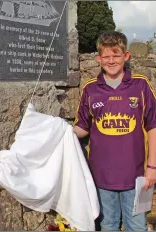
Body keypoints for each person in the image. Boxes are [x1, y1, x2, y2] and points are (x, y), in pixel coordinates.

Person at [73, 31, 156, 231]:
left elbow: (153, 126)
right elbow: (82, 128)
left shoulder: (141, 85)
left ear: (126, 56)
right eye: (106, 56)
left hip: (136, 176)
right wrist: (57, 132)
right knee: (107, 226)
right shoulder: (90, 89)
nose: (111, 61)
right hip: (102, 177)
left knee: (137, 227)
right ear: (98, 58)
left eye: (116, 55)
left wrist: (152, 168)